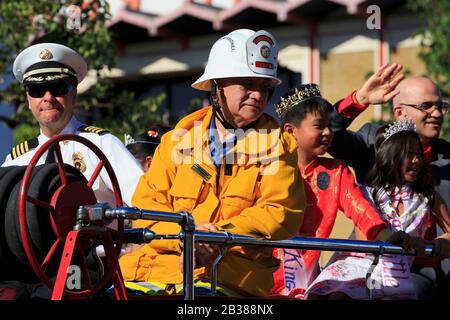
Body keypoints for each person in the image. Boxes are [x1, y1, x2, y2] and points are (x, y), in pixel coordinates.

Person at [119, 29, 306, 297]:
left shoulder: (280, 147)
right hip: (154, 272)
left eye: (264, 87)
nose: (257, 94)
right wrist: (185, 238)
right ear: (217, 86)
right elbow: (146, 208)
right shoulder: (175, 142)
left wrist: (218, 235)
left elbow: (279, 213)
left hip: (232, 280)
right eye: (247, 84)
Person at [270, 84, 406, 299]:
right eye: (319, 126)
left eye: (329, 126)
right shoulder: (266, 167)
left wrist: (386, 236)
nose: (327, 132)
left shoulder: (335, 171)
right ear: (290, 130)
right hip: (262, 274)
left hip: (306, 278)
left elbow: (361, 210)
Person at [329, 63, 450, 296]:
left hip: (423, 274)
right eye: (426, 106)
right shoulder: (373, 143)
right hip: (363, 262)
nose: (436, 114)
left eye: (440, 106)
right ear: (399, 112)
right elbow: (327, 134)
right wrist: (359, 99)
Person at [305, 119, 450, 299]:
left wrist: (432, 244)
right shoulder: (368, 193)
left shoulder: (427, 196)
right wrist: (393, 239)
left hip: (397, 272)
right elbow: (364, 237)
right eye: (408, 154)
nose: (416, 160)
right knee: (330, 295)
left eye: (418, 154)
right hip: (358, 265)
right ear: (391, 156)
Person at [2, 42, 143, 206]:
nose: (48, 97)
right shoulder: (17, 160)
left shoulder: (100, 144)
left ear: (74, 95)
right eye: (37, 90)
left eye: (57, 88)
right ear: (28, 100)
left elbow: (144, 200)